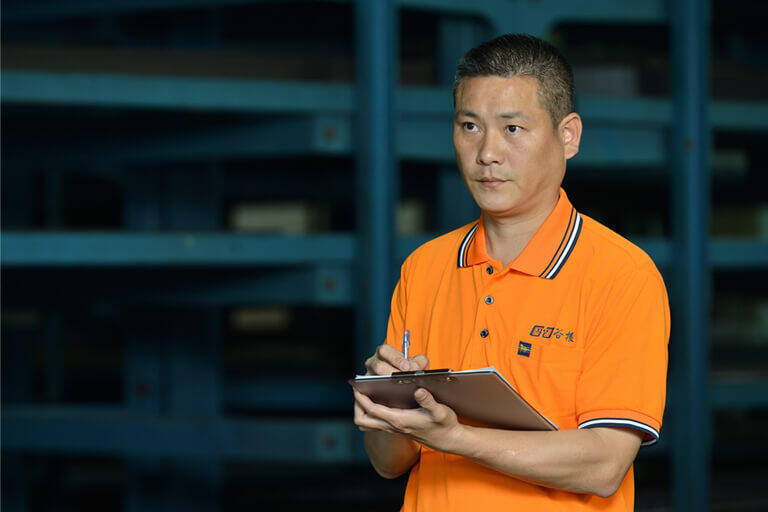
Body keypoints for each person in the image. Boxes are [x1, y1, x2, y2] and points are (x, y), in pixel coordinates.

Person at [352, 33, 670, 511]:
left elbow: (604, 465)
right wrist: (387, 410)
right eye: (470, 126)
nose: (487, 153)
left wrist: (456, 437)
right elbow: (388, 463)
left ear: (568, 136)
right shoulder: (425, 267)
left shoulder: (621, 275)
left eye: (513, 129)